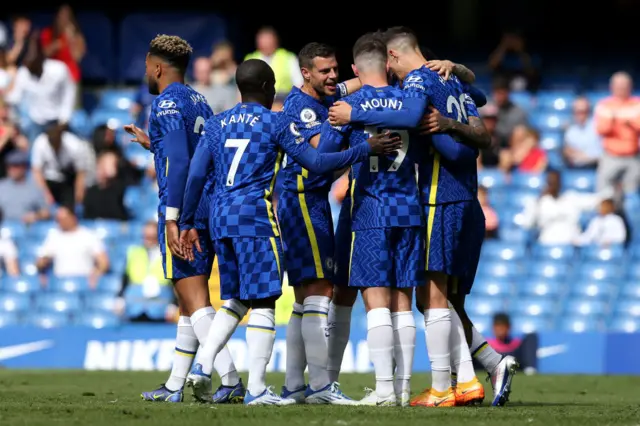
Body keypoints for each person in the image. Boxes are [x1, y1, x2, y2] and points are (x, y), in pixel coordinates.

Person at [180, 58, 400, 406]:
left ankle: (202, 367)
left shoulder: (218, 123)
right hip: (254, 218)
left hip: (220, 218)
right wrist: (364, 149)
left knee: (236, 299)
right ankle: (256, 390)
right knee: (265, 300)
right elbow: (315, 164)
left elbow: (194, 176)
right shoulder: (275, 122)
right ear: (269, 89)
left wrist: (188, 222)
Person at [329, 27, 514, 407]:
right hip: (459, 199)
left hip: (430, 198)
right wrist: (459, 68)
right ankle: (475, 375)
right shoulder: (447, 82)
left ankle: (437, 387)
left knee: (429, 297)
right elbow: (477, 97)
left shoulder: (414, 85)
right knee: (443, 299)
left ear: (394, 58)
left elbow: (415, 114)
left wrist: (353, 104)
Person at [122, 34, 241, 404]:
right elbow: (187, 148)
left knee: (195, 299)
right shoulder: (197, 99)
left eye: (146, 68)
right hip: (209, 205)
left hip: (185, 208)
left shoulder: (165, 104)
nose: (146, 73)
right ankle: (175, 385)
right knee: (190, 302)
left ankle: (232, 379)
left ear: (157, 68)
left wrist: (175, 218)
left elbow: (181, 163)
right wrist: (152, 143)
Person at [317, 33, 429, 406]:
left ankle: (383, 389)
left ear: (354, 68)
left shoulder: (350, 104)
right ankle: (403, 388)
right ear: (388, 62)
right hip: (408, 207)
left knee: (377, 302)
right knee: (404, 303)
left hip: (370, 209)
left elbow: (329, 156)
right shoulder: (408, 99)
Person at [277, 42, 359, 404]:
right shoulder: (303, 109)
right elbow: (321, 156)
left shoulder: (324, 95)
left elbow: (350, 87)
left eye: (335, 69)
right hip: (302, 199)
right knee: (320, 292)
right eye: (324, 71)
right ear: (305, 73)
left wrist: (372, 78)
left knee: (303, 299)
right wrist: (347, 124)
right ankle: (322, 386)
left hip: (310, 201)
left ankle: (294, 385)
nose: (333, 77)